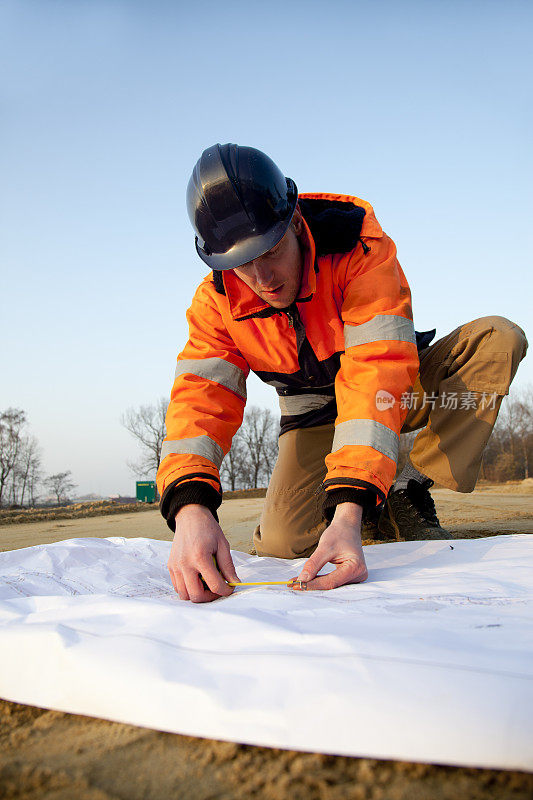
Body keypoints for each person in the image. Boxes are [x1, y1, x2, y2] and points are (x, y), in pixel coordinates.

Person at [157, 143, 528, 603]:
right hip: (313, 414)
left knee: (496, 341)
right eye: (240, 263)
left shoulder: (359, 246)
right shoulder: (216, 301)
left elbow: (375, 374)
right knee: (279, 545)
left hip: (396, 393)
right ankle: (371, 499)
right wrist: (191, 508)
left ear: (295, 222)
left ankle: (405, 484)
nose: (262, 278)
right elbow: (200, 397)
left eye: (270, 251)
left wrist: (349, 506)